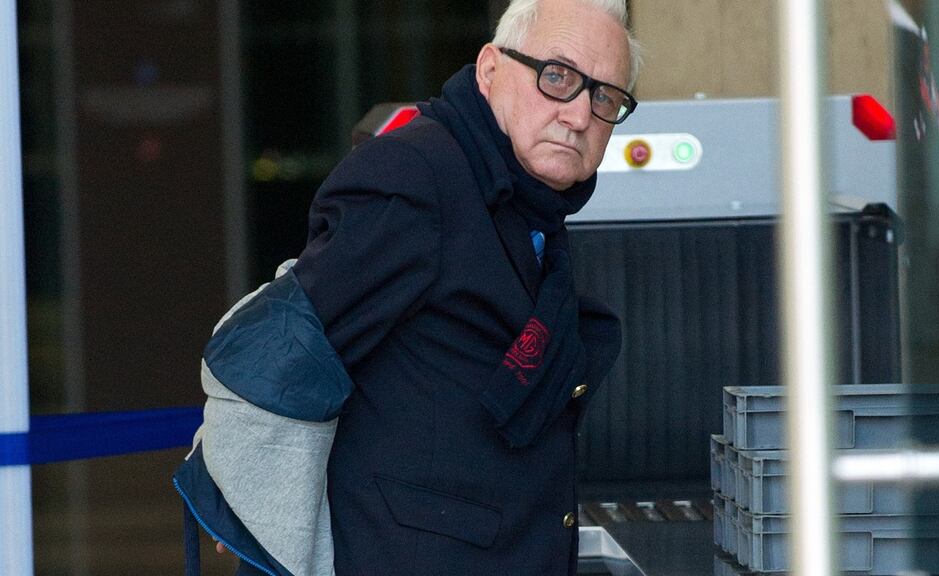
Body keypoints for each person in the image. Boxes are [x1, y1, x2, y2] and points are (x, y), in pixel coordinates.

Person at [174, 0, 641, 574]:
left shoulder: (525, 199)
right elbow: (286, 339)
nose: (578, 116)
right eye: (558, 76)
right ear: (490, 70)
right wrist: (237, 487)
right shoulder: (417, 175)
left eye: (604, 97)